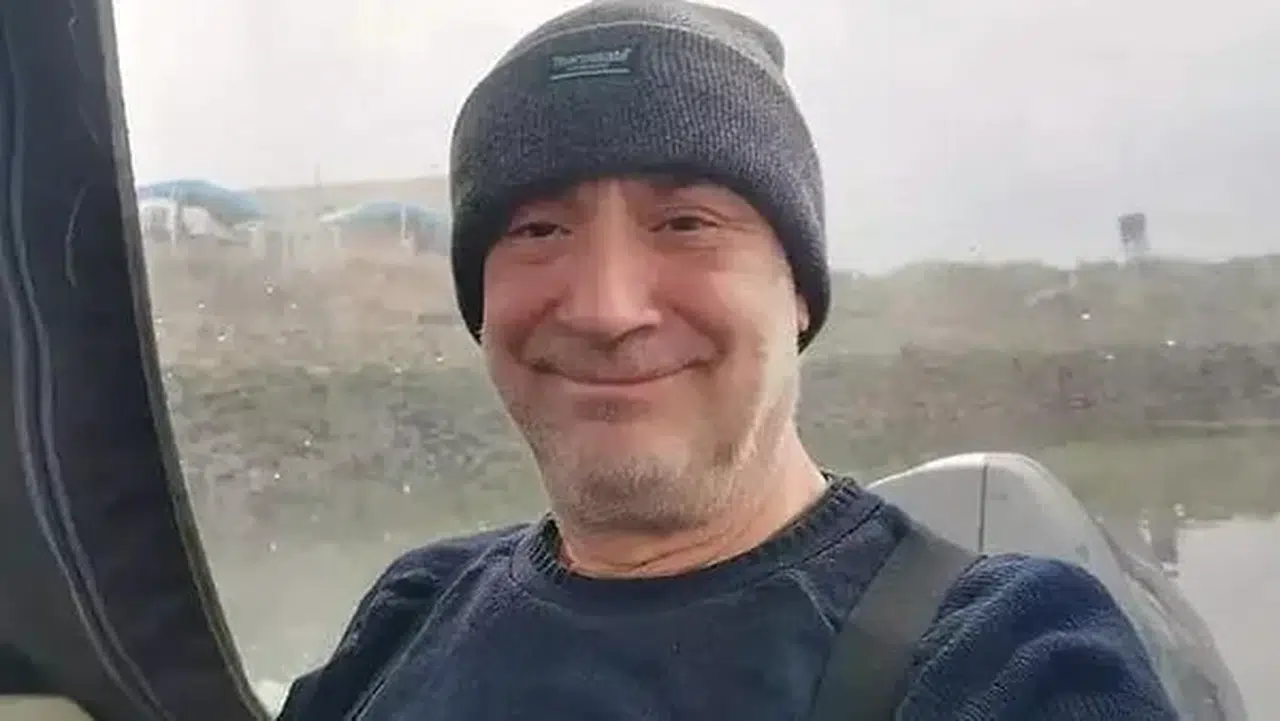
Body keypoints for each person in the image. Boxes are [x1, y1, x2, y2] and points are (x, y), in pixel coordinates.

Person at [277, 1, 1179, 719]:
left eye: (686, 223)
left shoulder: (1002, 656)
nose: (606, 309)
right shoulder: (412, 609)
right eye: (538, 230)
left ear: (798, 290)